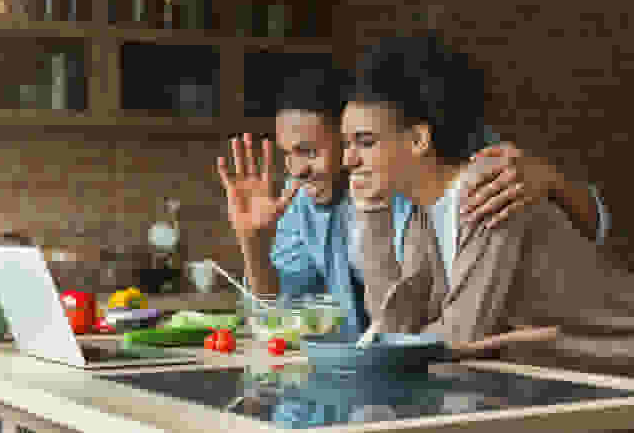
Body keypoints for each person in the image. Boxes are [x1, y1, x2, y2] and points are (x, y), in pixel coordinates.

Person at [216, 57, 610, 338]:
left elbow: (458, 331)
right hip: (479, 375)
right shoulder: (323, 203)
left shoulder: (467, 178)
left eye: (310, 151)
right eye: (289, 155)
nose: (297, 170)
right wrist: (253, 241)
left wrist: (554, 180)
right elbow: (280, 318)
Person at [343, 34, 634, 376]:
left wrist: (386, 355)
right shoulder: (425, 216)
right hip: (584, 382)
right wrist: (373, 214)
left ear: (419, 140)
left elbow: (460, 334)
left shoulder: (488, 189)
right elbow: (393, 329)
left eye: (365, 142)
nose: (349, 159)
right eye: (347, 144)